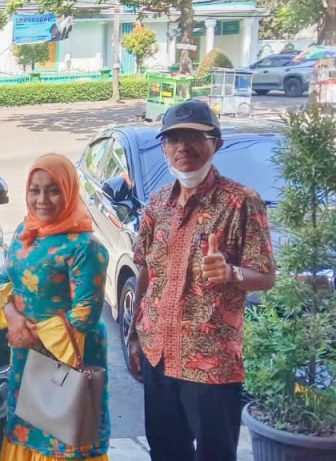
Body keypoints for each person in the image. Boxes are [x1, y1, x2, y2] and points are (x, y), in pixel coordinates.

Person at [128, 99, 275, 461]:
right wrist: (134, 336)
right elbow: (145, 270)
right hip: (157, 355)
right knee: (165, 451)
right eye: (173, 139)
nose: (183, 147)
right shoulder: (157, 204)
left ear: (216, 143)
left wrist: (231, 272)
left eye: (194, 137)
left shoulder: (241, 202)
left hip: (210, 364)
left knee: (215, 454)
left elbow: (266, 276)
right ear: (164, 147)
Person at [0, 153, 110, 460]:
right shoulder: (24, 233)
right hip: (24, 354)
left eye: (53, 190)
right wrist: (12, 317)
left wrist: (31, 336)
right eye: (35, 190)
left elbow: (85, 314)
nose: (42, 199)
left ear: (69, 191)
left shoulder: (84, 247)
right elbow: (5, 281)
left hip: (65, 358)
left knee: (63, 438)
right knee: (24, 430)